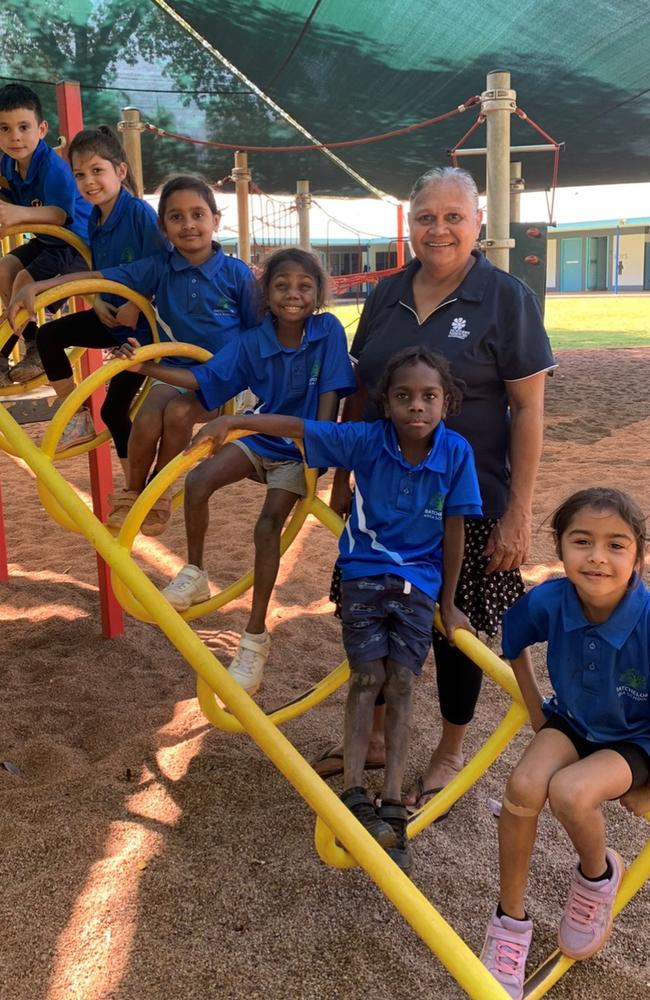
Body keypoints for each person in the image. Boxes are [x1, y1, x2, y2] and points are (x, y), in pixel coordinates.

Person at [185, 346, 483, 871]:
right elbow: (298, 426)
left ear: (447, 402)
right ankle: (351, 790)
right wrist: (232, 419)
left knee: (404, 682)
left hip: (419, 584)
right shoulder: (366, 440)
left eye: (429, 397)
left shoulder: (456, 453)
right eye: (404, 397)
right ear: (386, 404)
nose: (417, 406)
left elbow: (456, 529)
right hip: (365, 575)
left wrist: (451, 603)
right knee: (367, 677)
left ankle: (391, 798)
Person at [313, 166, 555, 807]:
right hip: (384, 502)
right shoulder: (386, 294)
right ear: (410, 224)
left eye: (453, 216)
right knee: (373, 612)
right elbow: (365, 394)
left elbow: (527, 409)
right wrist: (343, 481)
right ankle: (379, 739)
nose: (439, 228)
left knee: (456, 629)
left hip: (468, 502)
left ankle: (450, 747)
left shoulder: (506, 297)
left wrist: (520, 512)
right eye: (426, 217)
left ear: (478, 224)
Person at [117, 247, 356, 687]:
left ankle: (255, 637)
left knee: (267, 528)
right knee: (200, 478)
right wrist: (148, 364)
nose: (293, 294)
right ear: (266, 292)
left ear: (318, 292)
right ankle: (195, 573)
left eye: (304, 286)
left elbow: (331, 396)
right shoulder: (253, 341)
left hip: (301, 449)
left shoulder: (326, 331)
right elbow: (206, 378)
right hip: (261, 436)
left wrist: (318, 449)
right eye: (282, 285)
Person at [8, 174, 259, 535]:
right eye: (176, 217)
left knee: (177, 413)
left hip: (218, 377)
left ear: (215, 220)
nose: (188, 224)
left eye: (197, 214)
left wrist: (254, 384)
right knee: (143, 419)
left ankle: (157, 494)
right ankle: (131, 495)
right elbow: (100, 276)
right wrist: (39, 285)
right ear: (164, 227)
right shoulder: (160, 268)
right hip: (173, 369)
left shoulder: (236, 275)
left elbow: (256, 333)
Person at [480, 487, 650, 999]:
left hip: (634, 740)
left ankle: (597, 877)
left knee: (571, 792)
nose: (597, 557)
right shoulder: (551, 598)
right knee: (523, 786)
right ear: (560, 548)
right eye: (582, 541)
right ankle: (510, 922)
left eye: (616, 545)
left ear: (638, 554)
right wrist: (537, 715)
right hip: (571, 720)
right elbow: (515, 643)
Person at [6, 126, 164, 461]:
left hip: (142, 329)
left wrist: (137, 305)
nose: (89, 182)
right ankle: (74, 415)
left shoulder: (137, 212)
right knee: (48, 335)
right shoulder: (94, 217)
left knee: (114, 412)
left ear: (120, 170)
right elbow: (97, 265)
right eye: (80, 175)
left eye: (97, 171)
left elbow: (159, 265)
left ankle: (137, 483)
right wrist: (97, 299)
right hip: (110, 317)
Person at [0, 83, 91, 385]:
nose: (14, 136)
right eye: (5, 128)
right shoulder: (8, 164)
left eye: (23, 127)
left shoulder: (52, 166)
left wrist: (18, 214)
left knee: (24, 280)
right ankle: (27, 341)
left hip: (74, 244)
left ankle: (31, 348)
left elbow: (60, 215)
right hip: (48, 242)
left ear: (41, 129)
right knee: (5, 268)